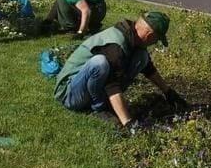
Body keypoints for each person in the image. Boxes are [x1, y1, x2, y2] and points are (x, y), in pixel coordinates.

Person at [54, 11, 187, 131]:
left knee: (142, 57)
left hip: (88, 88)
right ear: (149, 35)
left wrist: (168, 92)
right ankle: (99, 108)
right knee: (99, 63)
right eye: (156, 40)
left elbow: (148, 68)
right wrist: (129, 123)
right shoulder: (116, 45)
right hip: (70, 93)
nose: (154, 43)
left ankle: (102, 103)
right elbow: (111, 85)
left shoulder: (132, 36)